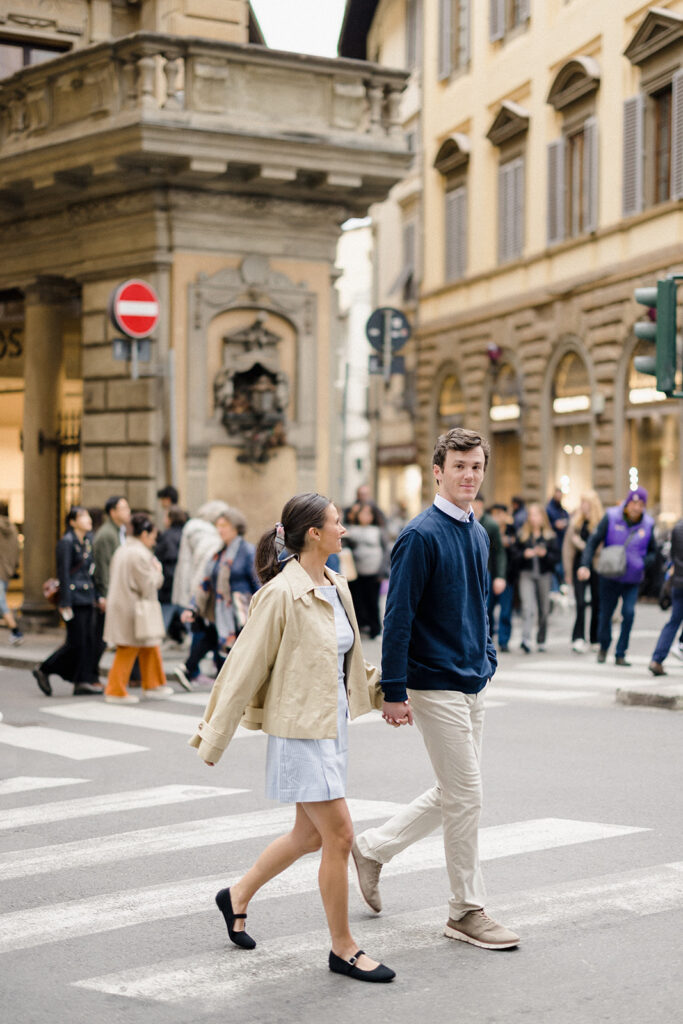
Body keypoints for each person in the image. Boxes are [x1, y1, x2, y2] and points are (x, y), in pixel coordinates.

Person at [189, 493, 395, 983]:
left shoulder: (337, 585)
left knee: (308, 835)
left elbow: (343, 662)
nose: (343, 530)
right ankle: (343, 948)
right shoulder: (281, 594)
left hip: (333, 726)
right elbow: (242, 666)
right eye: (337, 523)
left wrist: (387, 687)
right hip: (300, 733)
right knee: (340, 835)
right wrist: (215, 735)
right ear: (314, 535)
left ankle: (236, 896)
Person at [351, 427, 519, 951]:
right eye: (460, 467)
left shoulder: (478, 532)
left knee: (456, 791)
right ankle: (466, 910)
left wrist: (488, 656)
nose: (469, 476)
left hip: (473, 679)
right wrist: (395, 689)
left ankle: (373, 849)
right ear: (438, 472)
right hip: (433, 684)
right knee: (468, 794)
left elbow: (479, 607)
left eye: (476, 467)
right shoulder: (420, 535)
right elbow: (397, 616)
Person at [178, 507, 259, 685]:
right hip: (220, 613)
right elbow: (205, 583)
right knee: (221, 649)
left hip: (241, 615)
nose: (219, 529)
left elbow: (257, 583)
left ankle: (191, 670)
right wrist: (193, 607)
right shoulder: (218, 554)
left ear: (236, 528)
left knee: (235, 655)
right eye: (218, 525)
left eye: (224, 525)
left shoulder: (247, 552)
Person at [578, 487, 656, 666]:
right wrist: (585, 564)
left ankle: (621, 652)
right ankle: (604, 647)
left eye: (641, 504)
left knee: (628, 613)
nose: (637, 507)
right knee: (605, 614)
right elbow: (593, 540)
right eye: (634, 503)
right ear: (628, 503)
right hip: (609, 575)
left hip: (632, 578)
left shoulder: (649, 524)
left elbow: (654, 552)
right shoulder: (611, 516)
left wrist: (643, 562)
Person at [103, 513, 175, 704]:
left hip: (125, 605)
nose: (153, 540)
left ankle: (153, 684)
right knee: (129, 647)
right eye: (152, 536)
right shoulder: (140, 554)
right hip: (133, 608)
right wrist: (158, 572)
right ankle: (115, 690)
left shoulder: (124, 549)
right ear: (144, 534)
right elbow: (148, 585)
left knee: (148, 644)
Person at [33, 506, 102, 697]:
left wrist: (96, 597)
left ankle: (82, 681)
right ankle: (45, 669)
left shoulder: (87, 541)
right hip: (73, 599)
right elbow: (63, 572)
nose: (88, 519)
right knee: (76, 642)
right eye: (82, 516)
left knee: (88, 641)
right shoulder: (67, 542)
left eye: (88, 515)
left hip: (87, 598)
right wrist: (66, 602)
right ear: (72, 522)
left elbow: (90, 573)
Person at [171, 501, 228, 689]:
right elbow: (208, 572)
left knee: (210, 633)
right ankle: (192, 669)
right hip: (210, 595)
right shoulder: (209, 538)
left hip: (199, 591)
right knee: (210, 633)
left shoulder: (195, 532)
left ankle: (193, 669)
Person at [512, 503, 558, 654]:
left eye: (536, 514)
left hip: (544, 575)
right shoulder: (522, 535)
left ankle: (541, 639)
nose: (533, 518)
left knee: (544, 609)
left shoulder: (550, 537)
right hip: (527, 574)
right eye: (530, 515)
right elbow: (514, 556)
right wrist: (524, 554)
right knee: (527, 606)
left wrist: (545, 555)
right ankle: (525, 639)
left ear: (542, 517)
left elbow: (556, 559)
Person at [562, 491, 604, 653]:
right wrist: (567, 572)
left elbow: (600, 548)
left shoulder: (600, 523)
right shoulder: (576, 523)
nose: (583, 506)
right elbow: (567, 549)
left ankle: (594, 638)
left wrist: (580, 544)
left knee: (596, 602)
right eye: (582, 502)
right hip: (578, 567)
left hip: (596, 567)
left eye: (585, 502)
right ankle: (578, 637)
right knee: (580, 602)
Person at [93, 495, 131, 665]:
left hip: (117, 591)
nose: (128, 512)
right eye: (123, 508)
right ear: (112, 512)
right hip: (109, 593)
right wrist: (105, 594)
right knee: (101, 637)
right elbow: (103, 566)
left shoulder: (119, 531)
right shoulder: (107, 534)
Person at [343, 502, 386, 638]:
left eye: (368, 513)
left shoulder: (378, 530)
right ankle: (361, 625)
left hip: (373, 571)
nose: (365, 516)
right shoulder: (351, 529)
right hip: (356, 571)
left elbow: (386, 551)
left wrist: (382, 570)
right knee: (357, 601)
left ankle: (375, 628)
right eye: (363, 513)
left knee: (373, 601)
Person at [649, 516, 683, 675]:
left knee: (673, 621)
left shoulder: (677, 527)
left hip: (678, 582)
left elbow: (673, 555)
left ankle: (657, 659)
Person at [473, 495, 506, 638]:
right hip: (469, 570)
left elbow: (499, 552)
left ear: (480, 504)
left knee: (485, 608)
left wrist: (500, 576)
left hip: (485, 571)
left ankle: (486, 639)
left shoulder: (491, 525)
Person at [155, 505, 189, 639]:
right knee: (185, 613)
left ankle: (156, 644)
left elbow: (166, 557)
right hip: (182, 583)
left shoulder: (167, 536)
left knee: (164, 618)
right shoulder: (185, 534)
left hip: (169, 585)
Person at [488, 503, 517, 652]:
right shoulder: (488, 530)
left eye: (501, 513)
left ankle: (504, 641)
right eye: (495, 513)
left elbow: (517, 553)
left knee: (506, 611)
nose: (498, 517)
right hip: (491, 574)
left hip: (508, 576)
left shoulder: (512, 531)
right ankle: (489, 638)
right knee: (488, 609)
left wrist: (510, 543)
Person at [0, 500, 22, 645]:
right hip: (7, 571)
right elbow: (17, 549)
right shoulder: (12, 528)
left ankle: (16, 631)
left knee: (1, 603)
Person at [546, 486, 569, 586]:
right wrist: (555, 525)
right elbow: (546, 524)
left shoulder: (563, 511)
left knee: (561, 569)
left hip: (562, 543)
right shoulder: (548, 509)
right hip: (553, 544)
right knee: (555, 569)